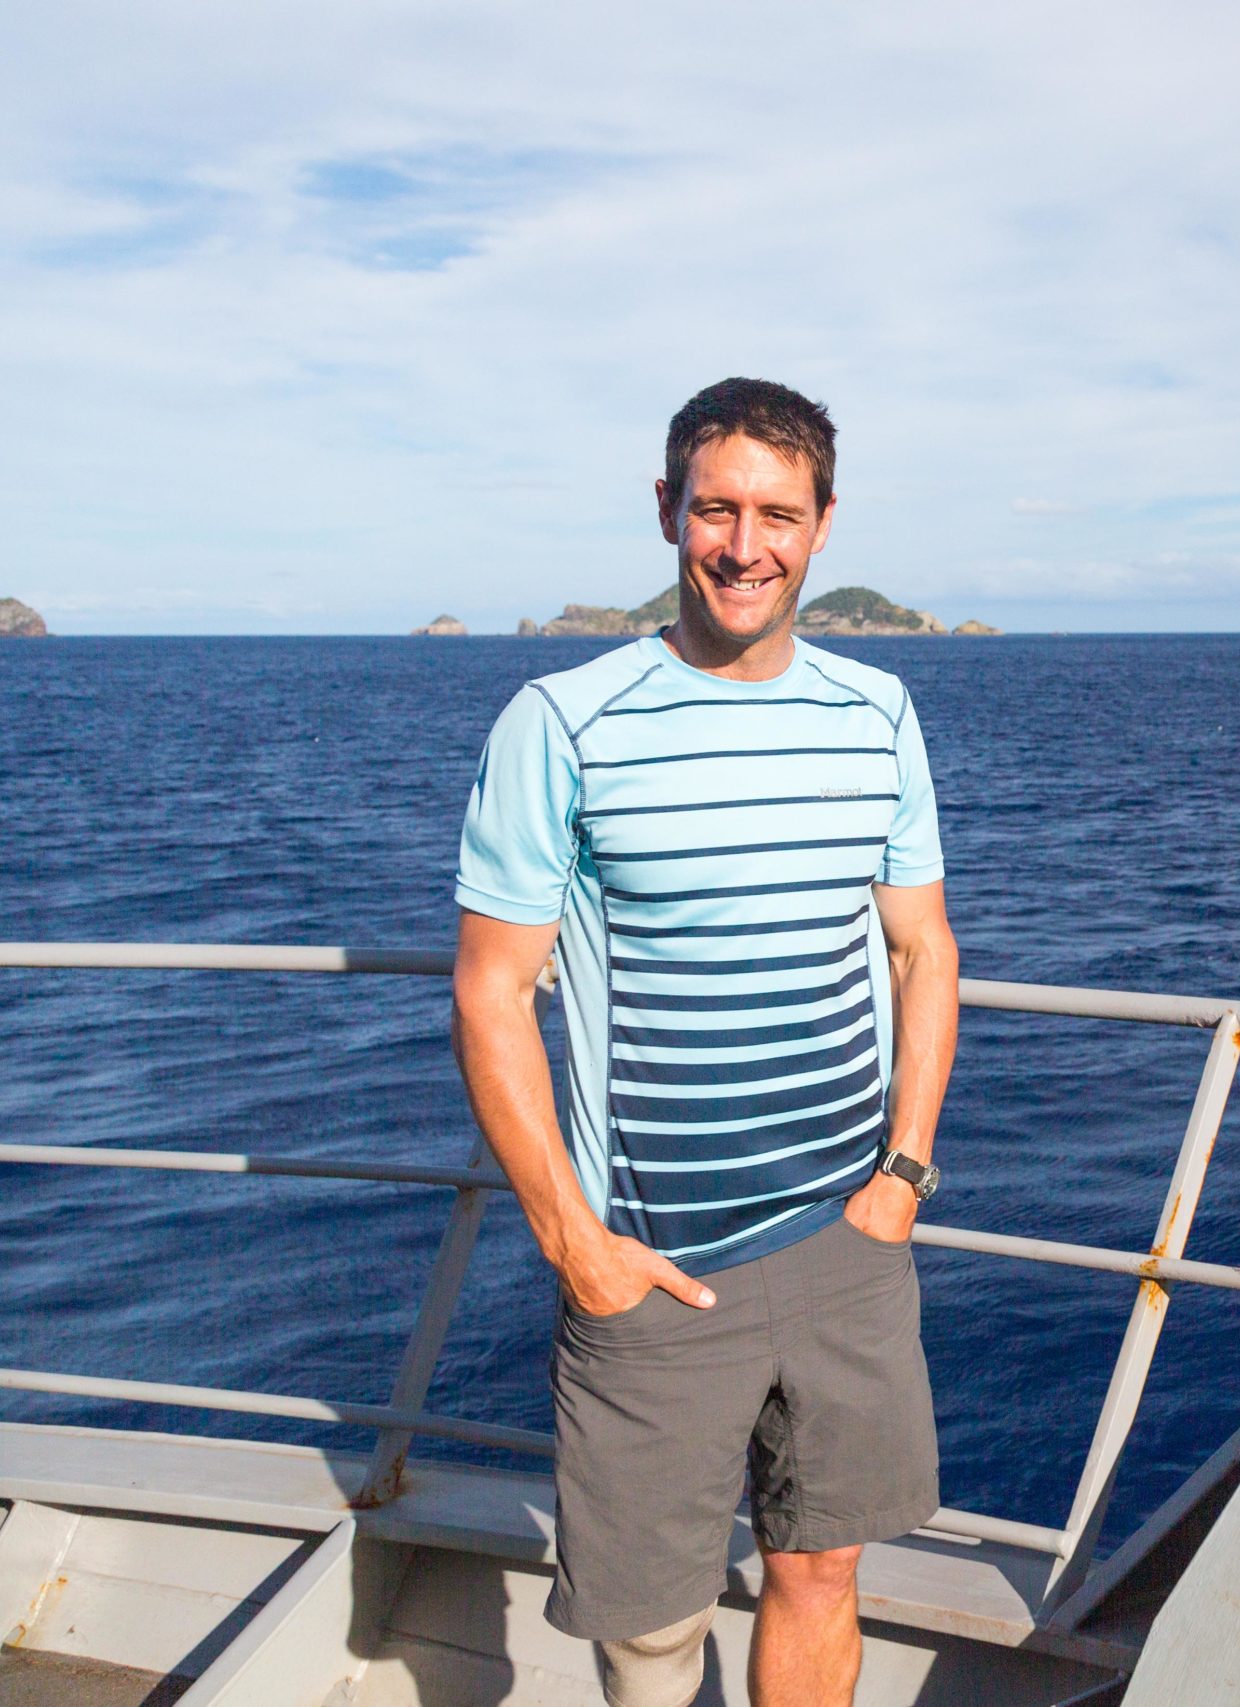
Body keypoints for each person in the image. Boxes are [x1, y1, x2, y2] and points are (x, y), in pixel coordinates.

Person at [451, 377, 958, 1707]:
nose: (745, 545)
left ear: (825, 525)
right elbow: (492, 994)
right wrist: (579, 1249)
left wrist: (902, 1176)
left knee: (822, 1573)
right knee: (652, 1628)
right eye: (717, 508)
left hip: (850, 1244)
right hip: (653, 1269)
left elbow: (925, 951)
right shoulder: (562, 723)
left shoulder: (877, 714)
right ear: (667, 508)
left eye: (778, 514)